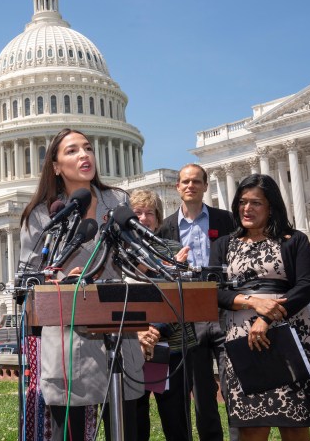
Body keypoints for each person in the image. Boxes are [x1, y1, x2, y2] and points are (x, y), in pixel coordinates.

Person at [19, 128, 144, 440]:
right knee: (71, 431)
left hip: (119, 330)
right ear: (56, 166)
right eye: (72, 151)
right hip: (67, 337)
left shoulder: (118, 202)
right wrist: (61, 279)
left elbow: (134, 259)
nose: (84, 155)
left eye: (87, 148)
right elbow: (27, 280)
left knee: (128, 428)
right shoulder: (43, 215)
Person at [209, 173, 310, 440]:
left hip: (290, 338)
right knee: (252, 428)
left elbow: (305, 287)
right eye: (242, 202)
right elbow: (214, 291)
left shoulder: (294, 240)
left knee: (294, 425)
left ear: (271, 206)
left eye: (256, 203)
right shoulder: (223, 245)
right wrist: (252, 302)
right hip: (242, 343)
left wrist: (266, 318)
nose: (247, 209)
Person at [155, 163, 235, 441]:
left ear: (205, 185)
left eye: (196, 181)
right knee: (202, 391)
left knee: (234, 387)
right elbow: (160, 274)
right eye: (185, 182)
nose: (190, 186)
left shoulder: (225, 220)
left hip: (225, 311)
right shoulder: (165, 228)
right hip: (189, 317)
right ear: (177, 187)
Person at [128, 188, 196, 441]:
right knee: (134, 420)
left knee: (176, 420)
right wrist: (137, 331)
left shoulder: (173, 249)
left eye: (150, 213)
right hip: (131, 348)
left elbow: (181, 296)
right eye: (137, 213)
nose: (144, 218)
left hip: (172, 347)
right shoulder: (116, 255)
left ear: (158, 220)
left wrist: (154, 330)